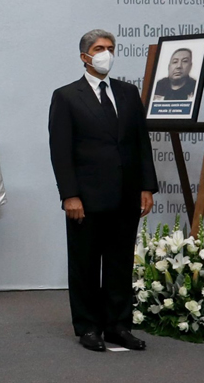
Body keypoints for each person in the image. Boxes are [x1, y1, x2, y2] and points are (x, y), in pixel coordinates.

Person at [48, 29, 156, 353]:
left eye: (110, 47)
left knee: (120, 263)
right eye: (99, 48)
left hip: (126, 194)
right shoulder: (67, 96)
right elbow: (60, 151)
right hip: (86, 197)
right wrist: (69, 195)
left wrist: (146, 186)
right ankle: (88, 326)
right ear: (85, 56)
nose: (105, 53)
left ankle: (118, 326)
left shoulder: (128, 92)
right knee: (85, 264)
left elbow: (141, 143)